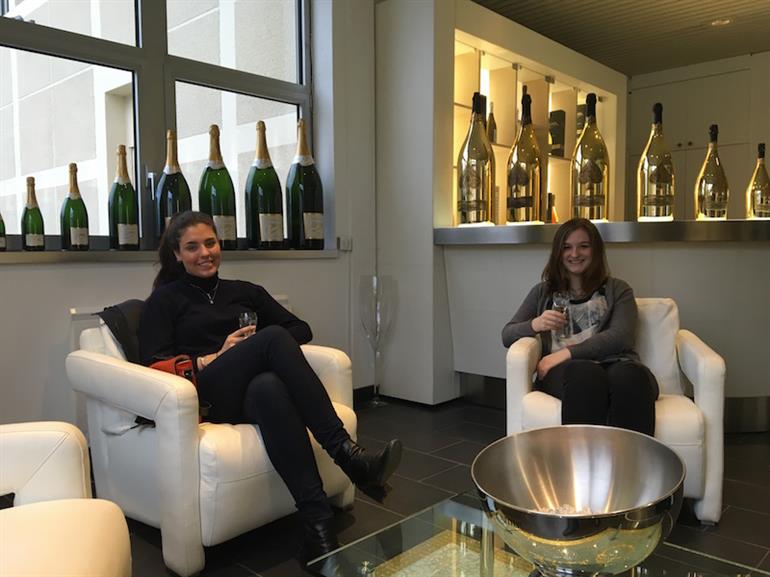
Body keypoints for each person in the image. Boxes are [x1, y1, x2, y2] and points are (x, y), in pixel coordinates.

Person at [138, 211, 402, 560]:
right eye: (192, 247)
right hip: (207, 394)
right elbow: (153, 363)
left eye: (210, 243)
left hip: (249, 393)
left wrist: (253, 348)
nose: (204, 253)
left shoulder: (244, 291)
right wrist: (214, 357)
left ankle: (318, 527)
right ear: (177, 254)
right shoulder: (165, 300)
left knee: (269, 388)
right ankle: (348, 456)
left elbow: (301, 329)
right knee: (273, 338)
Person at [501, 217, 659, 436]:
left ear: (596, 251)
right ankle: (579, 456)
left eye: (583, 246)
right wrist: (536, 324)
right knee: (585, 374)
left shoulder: (618, 289)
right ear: (558, 253)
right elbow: (507, 334)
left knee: (631, 376)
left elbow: (621, 336)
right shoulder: (542, 292)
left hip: (615, 364)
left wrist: (564, 354)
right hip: (568, 373)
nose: (574, 254)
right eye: (567, 247)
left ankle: (632, 457)